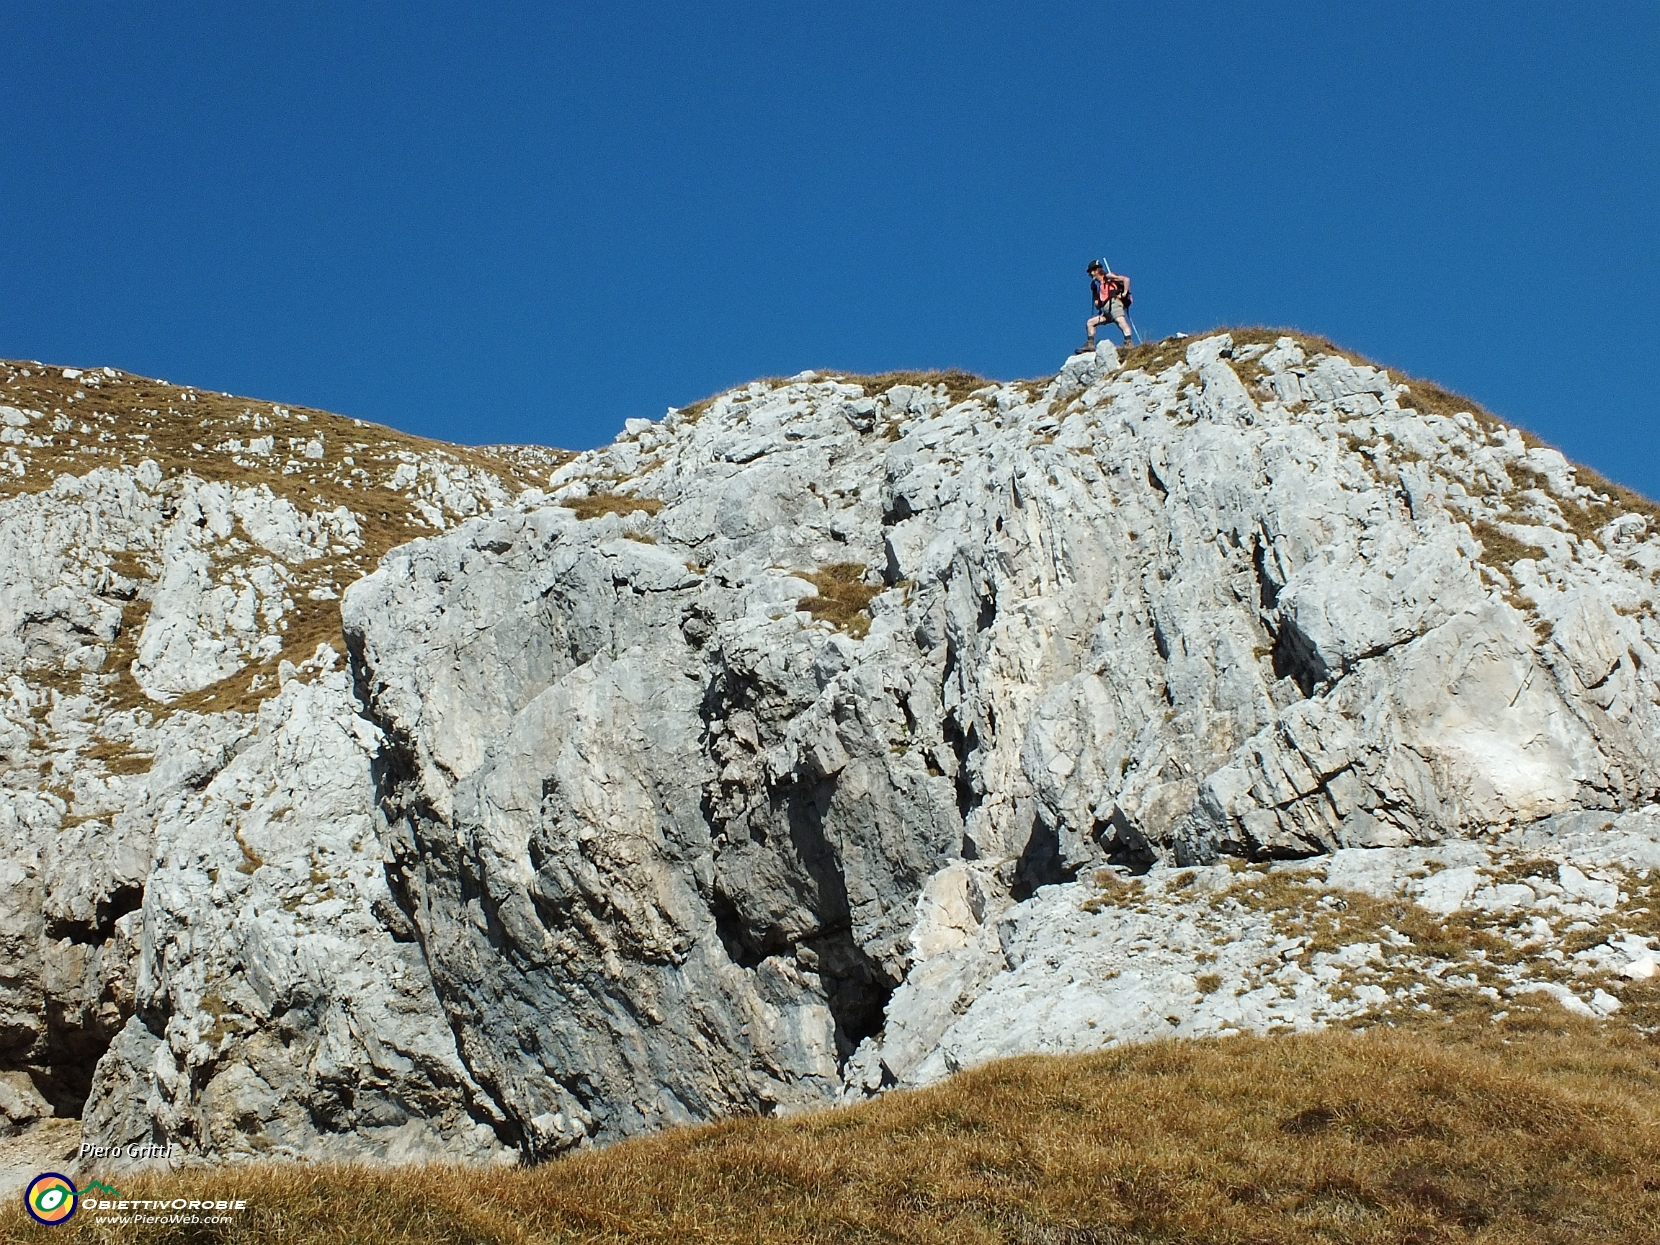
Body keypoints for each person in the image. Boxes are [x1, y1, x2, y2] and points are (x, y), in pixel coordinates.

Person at [1077, 260, 1133, 353]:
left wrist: (1124, 293)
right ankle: (1090, 344)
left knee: (1120, 321)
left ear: (1096, 271)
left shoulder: (1108, 277)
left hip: (1114, 304)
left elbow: (1126, 279)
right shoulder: (1100, 286)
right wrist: (1094, 292)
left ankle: (1128, 342)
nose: (1090, 274)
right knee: (1090, 322)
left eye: (1091, 271)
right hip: (1107, 310)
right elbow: (1097, 305)